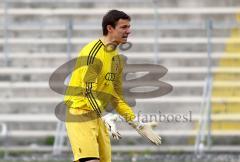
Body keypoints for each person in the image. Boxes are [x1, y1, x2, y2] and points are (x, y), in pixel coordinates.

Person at [64, 9, 161, 162]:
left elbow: (115, 96)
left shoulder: (116, 59)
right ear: (110, 28)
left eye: (129, 27)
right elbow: (88, 91)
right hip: (80, 113)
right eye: (124, 27)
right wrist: (105, 115)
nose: (129, 31)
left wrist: (136, 123)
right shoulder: (93, 53)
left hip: (99, 116)